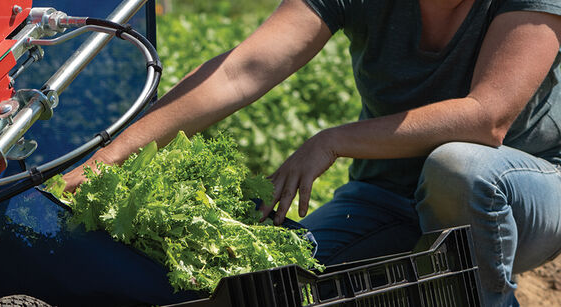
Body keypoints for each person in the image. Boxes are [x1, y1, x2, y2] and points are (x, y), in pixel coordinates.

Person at [61, 0, 561, 305]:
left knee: (458, 167)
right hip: (387, 196)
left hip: (519, 191)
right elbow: (243, 69)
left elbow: (486, 117)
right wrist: (108, 158)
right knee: (279, 285)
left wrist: (332, 138)